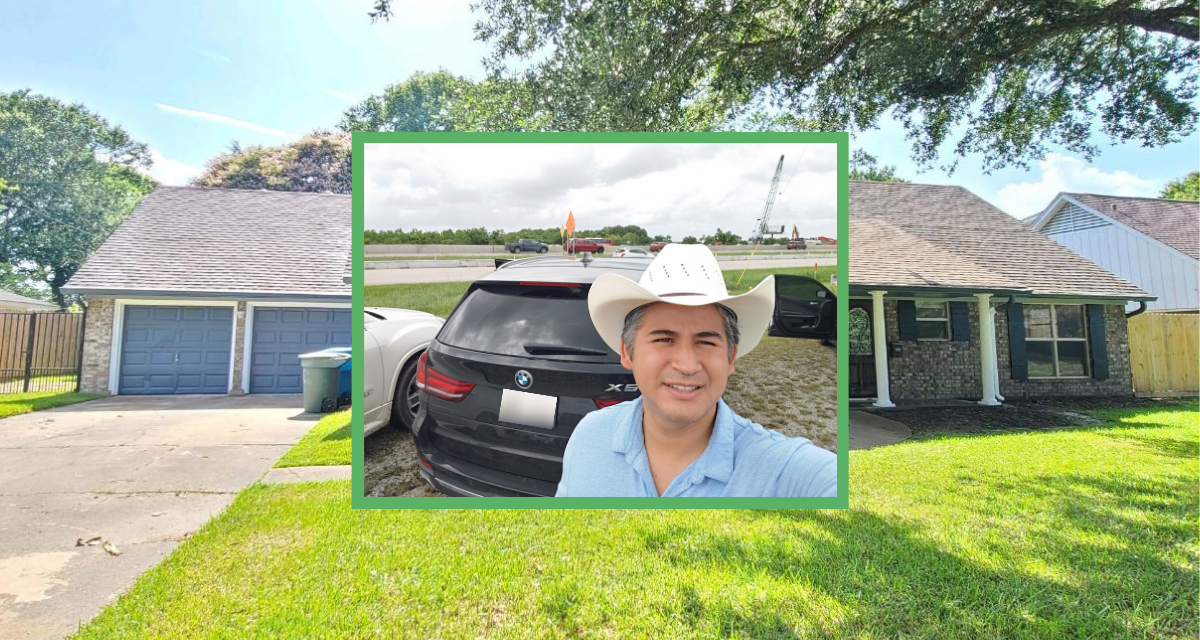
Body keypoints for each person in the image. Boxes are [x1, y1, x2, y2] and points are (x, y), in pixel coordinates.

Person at [555, 244, 837, 497]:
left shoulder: (783, 471)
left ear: (730, 358)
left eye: (706, 341)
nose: (687, 365)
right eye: (664, 339)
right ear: (628, 352)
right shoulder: (589, 436)